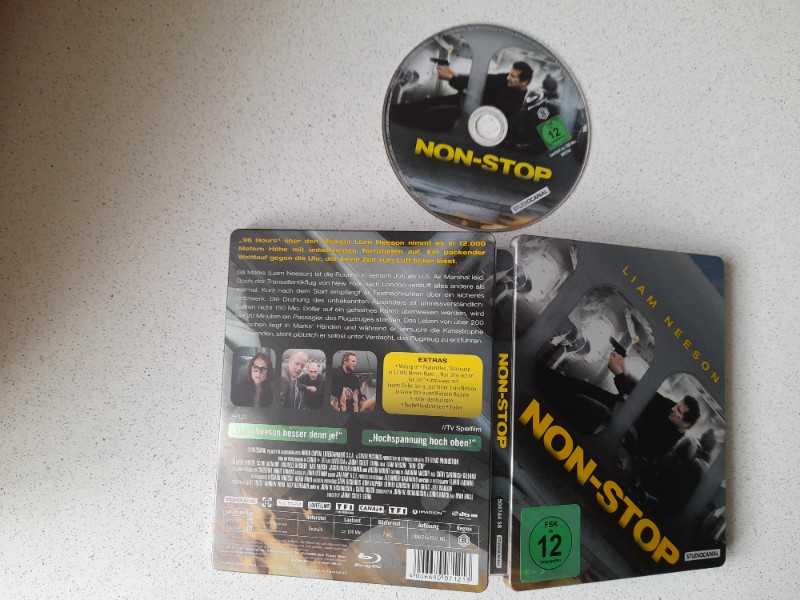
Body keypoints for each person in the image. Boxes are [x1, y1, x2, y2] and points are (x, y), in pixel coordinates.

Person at [608, 350, 701, 457]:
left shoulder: (666, 440)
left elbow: (636, 406)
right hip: (621, 411)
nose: (673, 408)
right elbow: (648, 394)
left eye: (679, 410)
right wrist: (625, 370)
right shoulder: (672, 407)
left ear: (686, 424)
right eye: (677, 405)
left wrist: (619, 375)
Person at [436, 60, 534, 119]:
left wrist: (451, 78)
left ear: (524, 82)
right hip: (463, 100)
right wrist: (455, 75)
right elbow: (481, 80)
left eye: (513, 76)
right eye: (509, 74)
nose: (508, 77)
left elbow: (478, 90)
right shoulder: (505, 79)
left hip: (466, 113)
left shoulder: (514, 104)